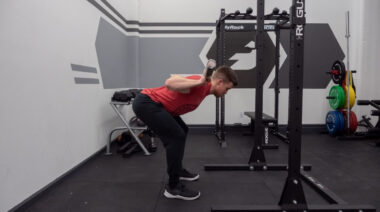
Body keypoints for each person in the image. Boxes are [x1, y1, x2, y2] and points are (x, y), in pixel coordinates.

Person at [132, 60, 238, 200]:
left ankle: (178, 170)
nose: (226, 93)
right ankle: (173, 187)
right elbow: (170, 82)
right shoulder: (199, 83)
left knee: (182, 129)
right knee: (176, 137)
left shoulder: (205, 89)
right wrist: (200, 81)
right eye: (227, 89)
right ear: (219, 82)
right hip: (147, 103)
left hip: (159, 106)